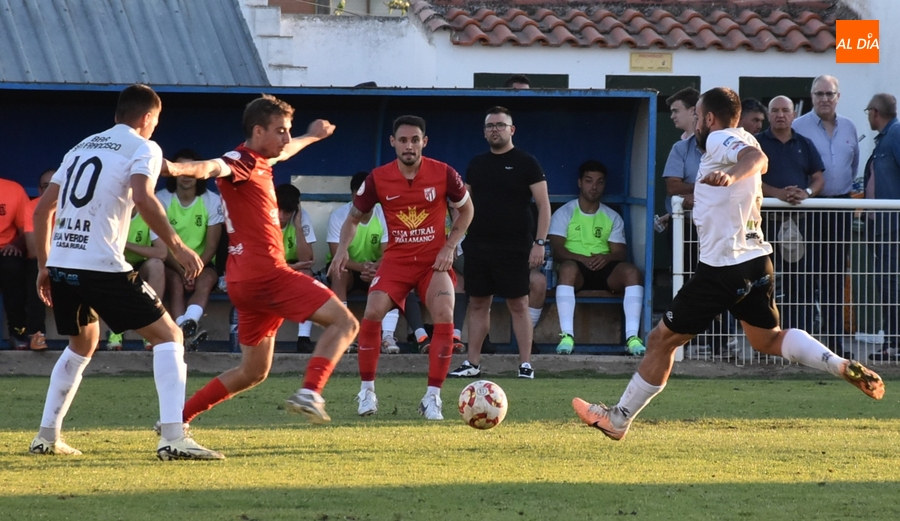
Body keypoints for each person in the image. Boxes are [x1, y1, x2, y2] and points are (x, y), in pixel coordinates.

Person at [572, 87, 885, 441]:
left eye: (696, 116)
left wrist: (730, 176)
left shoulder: (720, 138)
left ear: (708, 118)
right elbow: (750, 164)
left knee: (661, 339)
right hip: (757, 262)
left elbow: (757, 158)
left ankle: (618, 419)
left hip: (723, 268)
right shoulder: (741, 137)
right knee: (768, 339)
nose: (695, 123)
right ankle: (837, 363)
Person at [29, 84, 222, 459]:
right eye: (156, 120)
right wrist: (179, 247)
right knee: (169, 336)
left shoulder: (80, 147)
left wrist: (43, 265)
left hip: (64, 263)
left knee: (81, 345)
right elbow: (144, 196)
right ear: (148, 117)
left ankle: (46, 437)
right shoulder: (144, 147)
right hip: (101, 265)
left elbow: (41, 211)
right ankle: (173, 437)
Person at [165, 94, 358, 433]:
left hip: (244, 281)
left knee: (253, 371)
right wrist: (174, 168)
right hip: (267, 274)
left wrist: (312, 136)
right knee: (345, 323)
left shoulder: (259, 160)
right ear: (258, 131)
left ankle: (177, 420)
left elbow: (286, 150)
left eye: (288, 130)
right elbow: (211, 167)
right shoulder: (240, 159)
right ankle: (310, 392)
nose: (286, 137)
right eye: (280, 130)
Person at [329, 115, 473, 419]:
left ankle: (432, 398)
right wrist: (341, 250)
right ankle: (367, 392)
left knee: (445, 313)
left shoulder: (444, 173)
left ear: (424, 142)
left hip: (433, 261)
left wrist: (449, 246)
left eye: (415, 140)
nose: (409, 146)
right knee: (372, 311)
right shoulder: (378, 178)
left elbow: (467, 210)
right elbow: (353, 219)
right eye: (404, 140)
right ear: (393, 142)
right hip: (396, 260)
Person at [448, 106, 550, 380]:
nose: (495, 130)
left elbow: (543, 205)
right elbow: (461, 205)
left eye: (500, 125)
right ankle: (472, 363)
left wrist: (539, 242)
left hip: (515, 246)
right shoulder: (476, 164)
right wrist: (455, 239)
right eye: (490, 126)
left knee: (518, 304)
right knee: (478, 303)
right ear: (484, 132)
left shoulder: (527, 162)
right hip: (478, 245)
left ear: (511, 129)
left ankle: (525, 365)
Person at [793, 75, 860, 357]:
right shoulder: (799, 126)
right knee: (806, 274)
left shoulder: (850, 127)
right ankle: (805, 345)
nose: (824, 99)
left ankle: (834, 342)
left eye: (829, 94)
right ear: (811, 96)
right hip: (809, 209)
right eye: (819, 94)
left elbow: (852, 166)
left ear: (838, 97)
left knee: (835, 275)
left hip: (840, 208)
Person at [550, 160, 646, 356]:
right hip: (576, 269)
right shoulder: (564, 213)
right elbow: (557, 250)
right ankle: (567, 336)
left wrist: (607, 258)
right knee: (567, 269)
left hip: (604, 269)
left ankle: (632, 338)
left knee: (632, 272)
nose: (594, 187)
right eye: (589, 181)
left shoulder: (611, 216)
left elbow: (620, 252)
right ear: (579, 183)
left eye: (599, 182)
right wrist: (582, 259)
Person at [756, 95, 824, 333]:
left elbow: (818, 178)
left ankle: (800, 336)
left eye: (785, 110)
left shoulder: (805, 144)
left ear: (794, 115)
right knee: (764, 281)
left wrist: (806, 193)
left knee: (802, 282)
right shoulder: (756, 144)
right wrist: (777, 194)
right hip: (766, 224)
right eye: (775, 110)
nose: (780, 115)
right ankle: (767, 337)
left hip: (801, 224)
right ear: (768, 115)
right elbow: (749, 179)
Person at [324, 173, 401, 354]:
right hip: (349, 268)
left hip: (374, 269)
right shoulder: (339, 216)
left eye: (368, 195)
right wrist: (362, 268)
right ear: (352, 195)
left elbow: (388, 254)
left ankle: (388, 336)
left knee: (392, 273)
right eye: (358, 195)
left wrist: (374, 268)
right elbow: (336, 255)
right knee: (339, 272)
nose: (363, 200)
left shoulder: (384, 214)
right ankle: (342, 334)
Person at [157, 148, 223, 350]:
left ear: (200, 173)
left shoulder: (212, 200)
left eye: (191, 170)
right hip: (172, 263)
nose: (186, 176)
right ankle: (183, 332)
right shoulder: (161, 199)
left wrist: (195, 270)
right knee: (175, 284)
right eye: (181, 169)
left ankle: (189, 323)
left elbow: (212, 245)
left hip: (202, 263)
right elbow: (160, 244)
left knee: (206, 280)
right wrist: (182, 270)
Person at [863, 93, 900, 361]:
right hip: (883, 226)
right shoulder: (886, 138)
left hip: (892, 225)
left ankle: (894, 342)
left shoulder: (895, 135)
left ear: (875, 112)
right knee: (887, 282)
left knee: (889, 282)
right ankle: (892, 341)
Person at [106, 208, 168, 351]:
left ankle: (152, 328)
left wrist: (126, 244)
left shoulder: (149, 213)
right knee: (110, 269)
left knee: (157, 265)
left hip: (139, 266)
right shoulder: (111, 213)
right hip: (114, 265)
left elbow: (162, 253)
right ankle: (116, 331)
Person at [275, 183, 320, 353]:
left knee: (307, 277)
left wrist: (299, 226)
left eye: (287, 212)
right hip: (270, 267)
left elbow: (306, 259)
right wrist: (291, 267)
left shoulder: (301, 217)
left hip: (292, 265)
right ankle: (262, 337)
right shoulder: (263, 217)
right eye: (278, 210)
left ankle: (303, 338)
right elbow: (262, 262)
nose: (281, 216)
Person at [22, 169, 54, 350]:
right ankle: (36, 334)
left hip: (69, 261)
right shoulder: (33, 207)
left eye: (56, 184)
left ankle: (86, 335)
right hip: (44, 261)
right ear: (40, 190)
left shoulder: (76, 207)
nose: (51, 190)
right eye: (46, 186)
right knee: (36, 270)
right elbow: (33, 249)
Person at [0, 175, 29, 349]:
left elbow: (27, 229)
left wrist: (16, 244)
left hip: (5, 250)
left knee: (13, 268)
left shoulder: (13, 189)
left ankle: (17, 333)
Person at [662, 87, 701, 213]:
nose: (672, 116)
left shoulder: (715, 143)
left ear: (693, 111)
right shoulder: (680, 146)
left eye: (676, 111)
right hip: (681, 218)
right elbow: (672, 188)